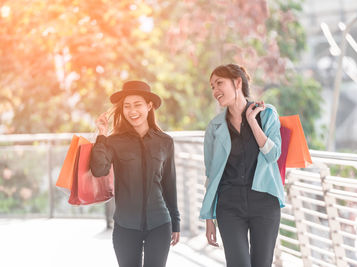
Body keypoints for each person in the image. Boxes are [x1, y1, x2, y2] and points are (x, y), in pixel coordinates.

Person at [199, 64, 285, 267]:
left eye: (219, 83)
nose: (215, 91)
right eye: (212, 86)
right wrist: (209, 217)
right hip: (229, 206)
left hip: (265, 202)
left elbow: (273, 155)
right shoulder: (215, 127)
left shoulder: (267, 114)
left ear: (238, 83)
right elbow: (211, 174)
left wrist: (252, 121)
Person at [90, 81, 180, 267]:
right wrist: (101, 134)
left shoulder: (165, 142)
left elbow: (169, 184)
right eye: (127, 106)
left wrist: (176, 222)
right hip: (125, 226)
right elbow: (99, 169)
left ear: (149, 106)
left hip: (160, 224)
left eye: (137, 104)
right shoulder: (113, 141)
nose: (132, 111)